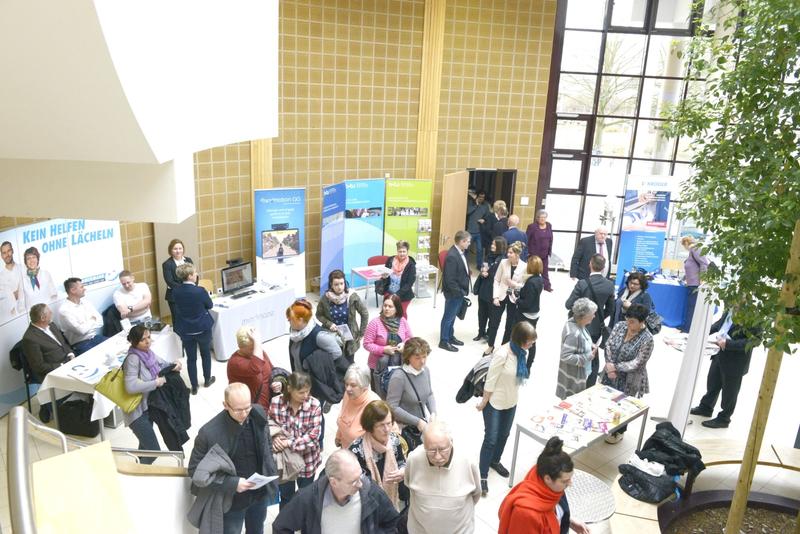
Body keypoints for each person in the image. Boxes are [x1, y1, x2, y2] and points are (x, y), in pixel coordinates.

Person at [187, 383, 278, 534]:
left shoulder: (258, 412)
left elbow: (266, 441)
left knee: (257, 529)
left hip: (259, 493)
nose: (244, 413)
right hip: (232, 500)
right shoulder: (208, 433)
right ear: (225, 405)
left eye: (247, 407)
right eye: (238, 410)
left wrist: (270, 466)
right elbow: (194, 470)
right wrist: (232, 483)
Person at [271, 448, 400, 534]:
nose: (361, 484)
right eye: (353, 481)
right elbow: (281, 527)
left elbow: (392, 522)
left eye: (361, 475)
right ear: (334, 482)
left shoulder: (370, 491)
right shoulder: (308, 498)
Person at [476, 321, 536, 496]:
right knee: (491, 438)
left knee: (504, 434)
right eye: (530, 341)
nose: (532, 345)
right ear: (520, 339)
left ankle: (495, 461)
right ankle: (483, 474)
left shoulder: (522, 352)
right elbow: (490, 380)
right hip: (494, 401)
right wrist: (483, 402)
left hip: (511, 401)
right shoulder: (502, 354)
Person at [498, 437, 590, 534]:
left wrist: (568, 521)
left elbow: (554, 512)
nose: (570, 484)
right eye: (565, 481)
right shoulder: (525, 513)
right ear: (547, 478)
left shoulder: (551, 487)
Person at [404, 420, 482, 534]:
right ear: (423, 445)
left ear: (451, 443)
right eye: (431, 450)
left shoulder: (468, 460)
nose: (437, 456)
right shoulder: (414, 459)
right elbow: (408, 485)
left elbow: (476, 493)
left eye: (442, 449)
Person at [123, 325, 184, 464]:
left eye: (149, 337)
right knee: (153, 451)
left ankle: (137, 468)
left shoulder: (149, 354)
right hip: (136, 412)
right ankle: (138, 474)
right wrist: (155, 383)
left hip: (148, 407)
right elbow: (130, 386)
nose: (147, 341)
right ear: (134, 342)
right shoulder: (133, 359)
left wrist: (174, 364)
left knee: (144, 447)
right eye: (142, 340)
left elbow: (163, 364)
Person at [690, 310, 761, 429]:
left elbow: (755, 340)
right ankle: (706, 407)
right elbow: (720, 324)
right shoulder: (730, 308)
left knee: (730, 391)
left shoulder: (753, 315)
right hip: (719, 354)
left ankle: (724, 418)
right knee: (712, 382)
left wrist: (729, 344)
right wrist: (703, 332)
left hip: (735, 360)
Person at [269, 372, 323, 508]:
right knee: (286, 498)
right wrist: (275, 437)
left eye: (308, 391)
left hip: (307, 462)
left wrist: (288, 443)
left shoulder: (314, 405)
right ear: (289, 389)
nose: (305, 396)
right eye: (301, 392)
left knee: (305, 498)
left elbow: (314, 437)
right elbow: (269, 423)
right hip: (285, 463)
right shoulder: (276, 403)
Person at [601, 303, 654, 443]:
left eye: (633, 322)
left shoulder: (647, 339)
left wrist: (615, 367)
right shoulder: (620, 326)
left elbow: (638, 362)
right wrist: (609, 364)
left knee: (623, 405)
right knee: (606, 399)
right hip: (610, 370)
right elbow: (608, 345)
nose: (628, 323)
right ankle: (605, 424)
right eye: (628, 319)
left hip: (629, 378)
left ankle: (618, 431)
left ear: (642, 322)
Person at [565, 254, 614, 387]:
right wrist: (599, 317)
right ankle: (590, 386)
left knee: (576, 354)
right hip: (597, 328)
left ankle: (573, 384)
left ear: (590, 265)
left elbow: (569, 304)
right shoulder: (609, 285)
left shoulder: (582, 283)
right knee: (593, 355)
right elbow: (611, 309)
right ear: (604, 267)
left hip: (579, 326)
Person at [348, 399, 407, 510]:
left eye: (389, 423)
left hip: (392, 501)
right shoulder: (356, 450)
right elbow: (356, 482)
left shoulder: (394, 440)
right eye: (381, 425)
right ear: (370, 427)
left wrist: (402, 471)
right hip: (368, 504)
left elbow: (401, 461)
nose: (387, 429)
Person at [286, 299, 345, 410]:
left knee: (315, 414)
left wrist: (316, 363)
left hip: (315, 385)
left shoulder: (319, 336)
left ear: (301, 320)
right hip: (300, 381)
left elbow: (337, 353)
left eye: (290, 319)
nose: (288, 321)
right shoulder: (295, 334)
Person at [21, 303, 74, 423]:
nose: (52, 314)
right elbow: (38, 366)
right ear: (43, 318)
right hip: (53, 369)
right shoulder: (30, 338)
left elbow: (63, 343)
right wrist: (61, 366)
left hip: (67, 361)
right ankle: (47, 407)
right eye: (50, 312)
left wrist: (70, 354)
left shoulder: (51, 325)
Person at [172, 263, 215, 395]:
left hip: (186, 330)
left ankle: (194, 386)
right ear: (190, 276)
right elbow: (210, 304)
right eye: (195, 273)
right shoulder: (200, 291)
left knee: (191, 359)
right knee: (205, 354)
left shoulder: (175, 291)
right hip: (202, 328)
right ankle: (207, 380)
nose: (197, 275)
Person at [316, 269, 369, 364]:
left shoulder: (352, 296)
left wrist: (361, 333)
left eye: (341, 283)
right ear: (331, 285)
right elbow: (319, 315)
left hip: (349, 335)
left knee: (349, 362)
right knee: (335, 361)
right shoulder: (325, 298)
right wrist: (329, 324)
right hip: (332, 334)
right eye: (336, 284)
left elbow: (364, 313)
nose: (339, 287)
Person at [485, 241, 528, 356]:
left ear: (517, 254)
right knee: (494, 322)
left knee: (510, 325)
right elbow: (497, 280)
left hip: (514, 298)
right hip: (500, 296)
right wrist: (495, 297)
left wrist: (514, 284)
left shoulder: (524, 266)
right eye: (508, 252)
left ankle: (504, 347)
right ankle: (490, 345)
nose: (508, 255)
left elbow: (524, 285)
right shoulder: (503, 263)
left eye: (511, 253)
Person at [386, 337, 436, 435]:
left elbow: (429, 393)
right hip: (405, 428)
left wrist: (433, 413)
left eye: (424, 356)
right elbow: (392, 406)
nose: (422, 361)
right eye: (417, 358)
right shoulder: (399, 377)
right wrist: (416, 421)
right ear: (408, 357)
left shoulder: (425, 370)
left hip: (422, 424)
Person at [227, 326, 279, 411]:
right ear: (240, 347)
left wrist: (278, 381)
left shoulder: (259, 352)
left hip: (269, 404)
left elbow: (272, 369)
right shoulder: (235, 362)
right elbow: (256, 368)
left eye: (256, 347)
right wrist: (257, 341)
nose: (255, 350)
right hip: (253, 410)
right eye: (251, 348)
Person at [556, 298, 598, 400]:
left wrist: (589, 343)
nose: (594, 316)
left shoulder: (576, 323)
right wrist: (588, 356)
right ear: (584, 316)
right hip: (574, 375)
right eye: (592, 313)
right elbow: (565, 356)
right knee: (572, 401)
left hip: (581, 371)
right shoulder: (574, 333)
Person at [438, 230, 471, 352]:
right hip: (454, 293)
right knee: (448, 316)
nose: (469, 244)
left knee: (452, 317)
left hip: (458, 291)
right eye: (467, 241)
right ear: (461, 241)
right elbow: (449, 279)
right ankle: (444, 340)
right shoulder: (452, 256)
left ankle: (450, 336)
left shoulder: (460, 252)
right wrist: (459, 292)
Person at [363, 294, 412, 371]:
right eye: (385, 305)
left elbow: (410, 338)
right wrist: (383, 349)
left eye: (390, 306)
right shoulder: (375, 323)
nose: (386, 308)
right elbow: (367, 344)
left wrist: (404, 344)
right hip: (378, 366)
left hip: (399, 364)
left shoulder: (402, 321)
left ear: (397, 308)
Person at [336, 363, 381, 448]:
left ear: (365, 387)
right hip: (346, 449)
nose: (348, 389)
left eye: (353, 385)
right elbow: (343, 416)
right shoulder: (348, 395)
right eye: (346, 384)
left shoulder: (374, 406)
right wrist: (339, 435)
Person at [58, 277, 107, 354]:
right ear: (73, 290)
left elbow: (100, 321)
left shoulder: (86, 302)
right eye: (81, 287)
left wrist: (85, 326)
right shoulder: (64, 310)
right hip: (80, 344)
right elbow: (81, 331)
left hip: (95, 337)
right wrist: (92, 320)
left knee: (116, 347)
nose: (84, 289)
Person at [473, 237, 507, 343]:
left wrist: (489, 274)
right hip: (484, 289)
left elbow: (502, 277)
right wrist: (483, 272)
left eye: (495, 245)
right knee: (481, 313)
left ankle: (488, 334)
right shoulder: (488, 256)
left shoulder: (503, 260)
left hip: (494, 292)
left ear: (500, 247)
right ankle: (481, 332)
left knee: (492, 315)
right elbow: (484, 267)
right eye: (492, 244)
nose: (492, 246)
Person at [517, 255, 544, 371]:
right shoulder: (539, 279)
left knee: (524, 339)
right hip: (534, 313)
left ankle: (524, 365)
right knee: (531, 338)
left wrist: (517, 299)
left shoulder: (531, 282)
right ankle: (528, 365)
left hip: (526, 314)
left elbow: (526, 303)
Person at [375, 241, 416, 317]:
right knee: (386, 313)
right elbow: (386, 275)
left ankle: (402, 328)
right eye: (400, 251)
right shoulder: (390, 260)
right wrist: (384, 277)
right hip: (389, 292)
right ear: (397, 251)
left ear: (407, 252)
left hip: (404, 295)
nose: (402, 254)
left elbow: (409, 283)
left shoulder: (411, 265)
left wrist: (396, 295)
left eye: (404, 251)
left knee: (401, 314)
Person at [680, 235, 709, 332]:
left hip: (695, 285)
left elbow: (704, 263)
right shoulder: (692, 252)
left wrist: (702, 279)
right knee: (690, 306)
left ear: (686, 243)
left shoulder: (695, 249)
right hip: (692, 283)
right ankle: (687, 327)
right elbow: (692, 268)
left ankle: (688, 329)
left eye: (684, 245)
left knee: (692, 307)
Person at [161, 238, 193, 320]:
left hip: (189, 295)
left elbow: (194, 276)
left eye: (180, 248)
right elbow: (170, 281)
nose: (178, 251)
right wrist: (185, 289)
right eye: (175, 249)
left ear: (183, 249)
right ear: (170, 250)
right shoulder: (167, 264)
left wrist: (192, 288)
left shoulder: (188, 260)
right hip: (174, 296)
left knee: (189, 317)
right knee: (178, 319)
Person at [526, 210, 554, 292]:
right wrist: (527, 252)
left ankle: (547, 286)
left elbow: (551, 239)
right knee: (532, 271)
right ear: (537, 218)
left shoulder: (549, 225)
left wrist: (549, 251)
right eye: (541, 217)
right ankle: (529, 285)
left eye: (544, 217)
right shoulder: (532, 226)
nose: (542, 219)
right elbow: (527, 239)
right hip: (534, 254)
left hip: (545, 253)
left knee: (545, 271)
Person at [466, 190, 490, 269]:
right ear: (477, 196)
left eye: (483, 197)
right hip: (470, 231)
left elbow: (487, 217)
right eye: (480, 197)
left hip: (479, 231)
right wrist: (476, 205)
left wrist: (484, 220)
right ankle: (464, 264)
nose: (481, 199)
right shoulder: (471, 203)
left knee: (480, 250)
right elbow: (467, 212)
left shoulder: (485, 206)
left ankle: (479, 265)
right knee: (466, 248)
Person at [0, 241, 23, 322]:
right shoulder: (1, 277)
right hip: (12, 318)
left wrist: (12, 294)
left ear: (12, 251)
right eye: (4, 253)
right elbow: (3, 302)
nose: (7, 255)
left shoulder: (23, 269)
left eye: (9, 251)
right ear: (1, 256)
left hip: (26, 310)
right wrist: (15, 294)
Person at [480, 200, 506, 265]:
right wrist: (494, 235)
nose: (502, 208)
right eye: (500, 206)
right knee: (490, 259)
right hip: (490, 242)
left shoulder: (505, 218)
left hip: (500, 244)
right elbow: (487, 229)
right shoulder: (490, 216)